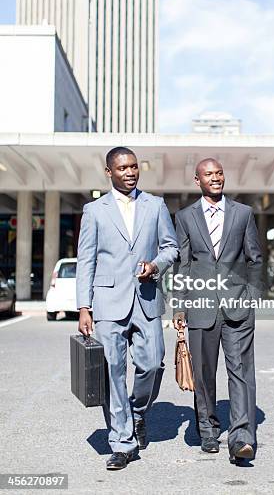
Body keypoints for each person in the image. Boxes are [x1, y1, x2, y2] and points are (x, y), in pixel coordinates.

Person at [76, 147, 178, 470]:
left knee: (152, 363)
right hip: (107, 303)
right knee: (113, 372)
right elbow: (86, 261)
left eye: (134, 166)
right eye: (122, 168)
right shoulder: (94, 211)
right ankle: (122, 442)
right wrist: (83, 307)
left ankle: (136, 413)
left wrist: (157, 265)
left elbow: (170, 247)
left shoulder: (156, 205)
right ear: (109, 172)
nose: (130, 172)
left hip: (146, 299)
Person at [173, 158, 263, 464]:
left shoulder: (243, 213)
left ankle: (242, 438)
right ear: (197, 180)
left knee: (241, 372)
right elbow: (182, 263)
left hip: (238, 307)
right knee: (204, 373)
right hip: (200, 306)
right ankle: (208, 428)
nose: (216, 178)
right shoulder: (185, 217)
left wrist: (250, 295)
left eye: (219, 173)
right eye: (209, 174)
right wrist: (179, 304)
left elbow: (255, 258)